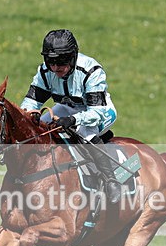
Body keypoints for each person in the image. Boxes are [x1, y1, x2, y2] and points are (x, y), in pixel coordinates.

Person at [20, 29, 121, 203]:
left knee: (84, 132)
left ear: (73, 56)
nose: (55, 67)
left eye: (61, 62)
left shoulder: (91, 70)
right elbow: (30, 102)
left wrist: (74, 120)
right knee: (38, 129)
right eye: (51, 62)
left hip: (99, 112)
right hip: (66, 108)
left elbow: (96, 112)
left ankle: (111, 179)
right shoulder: (45, 72)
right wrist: (31, 115)